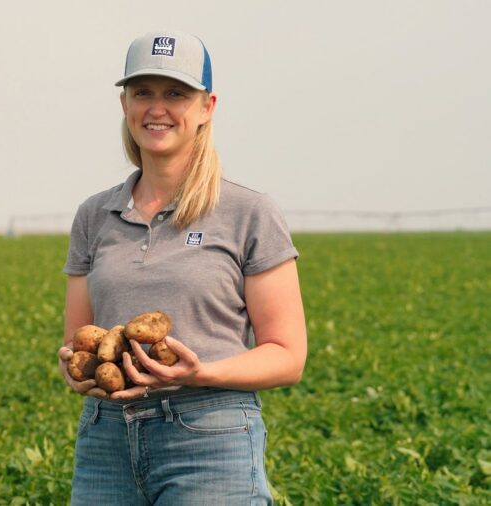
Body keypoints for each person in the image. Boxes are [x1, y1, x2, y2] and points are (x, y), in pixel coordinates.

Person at [57, 31, 307, 505]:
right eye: (143, 92)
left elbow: (287, 355)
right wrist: (74, 366)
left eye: (176, 93)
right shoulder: (94, 215)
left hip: (209, 437)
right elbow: (79, 338)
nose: (157, 108)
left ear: (207, 106)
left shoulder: (248, 212)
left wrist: (200, 373)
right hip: (106, 438)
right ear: (124, 103)